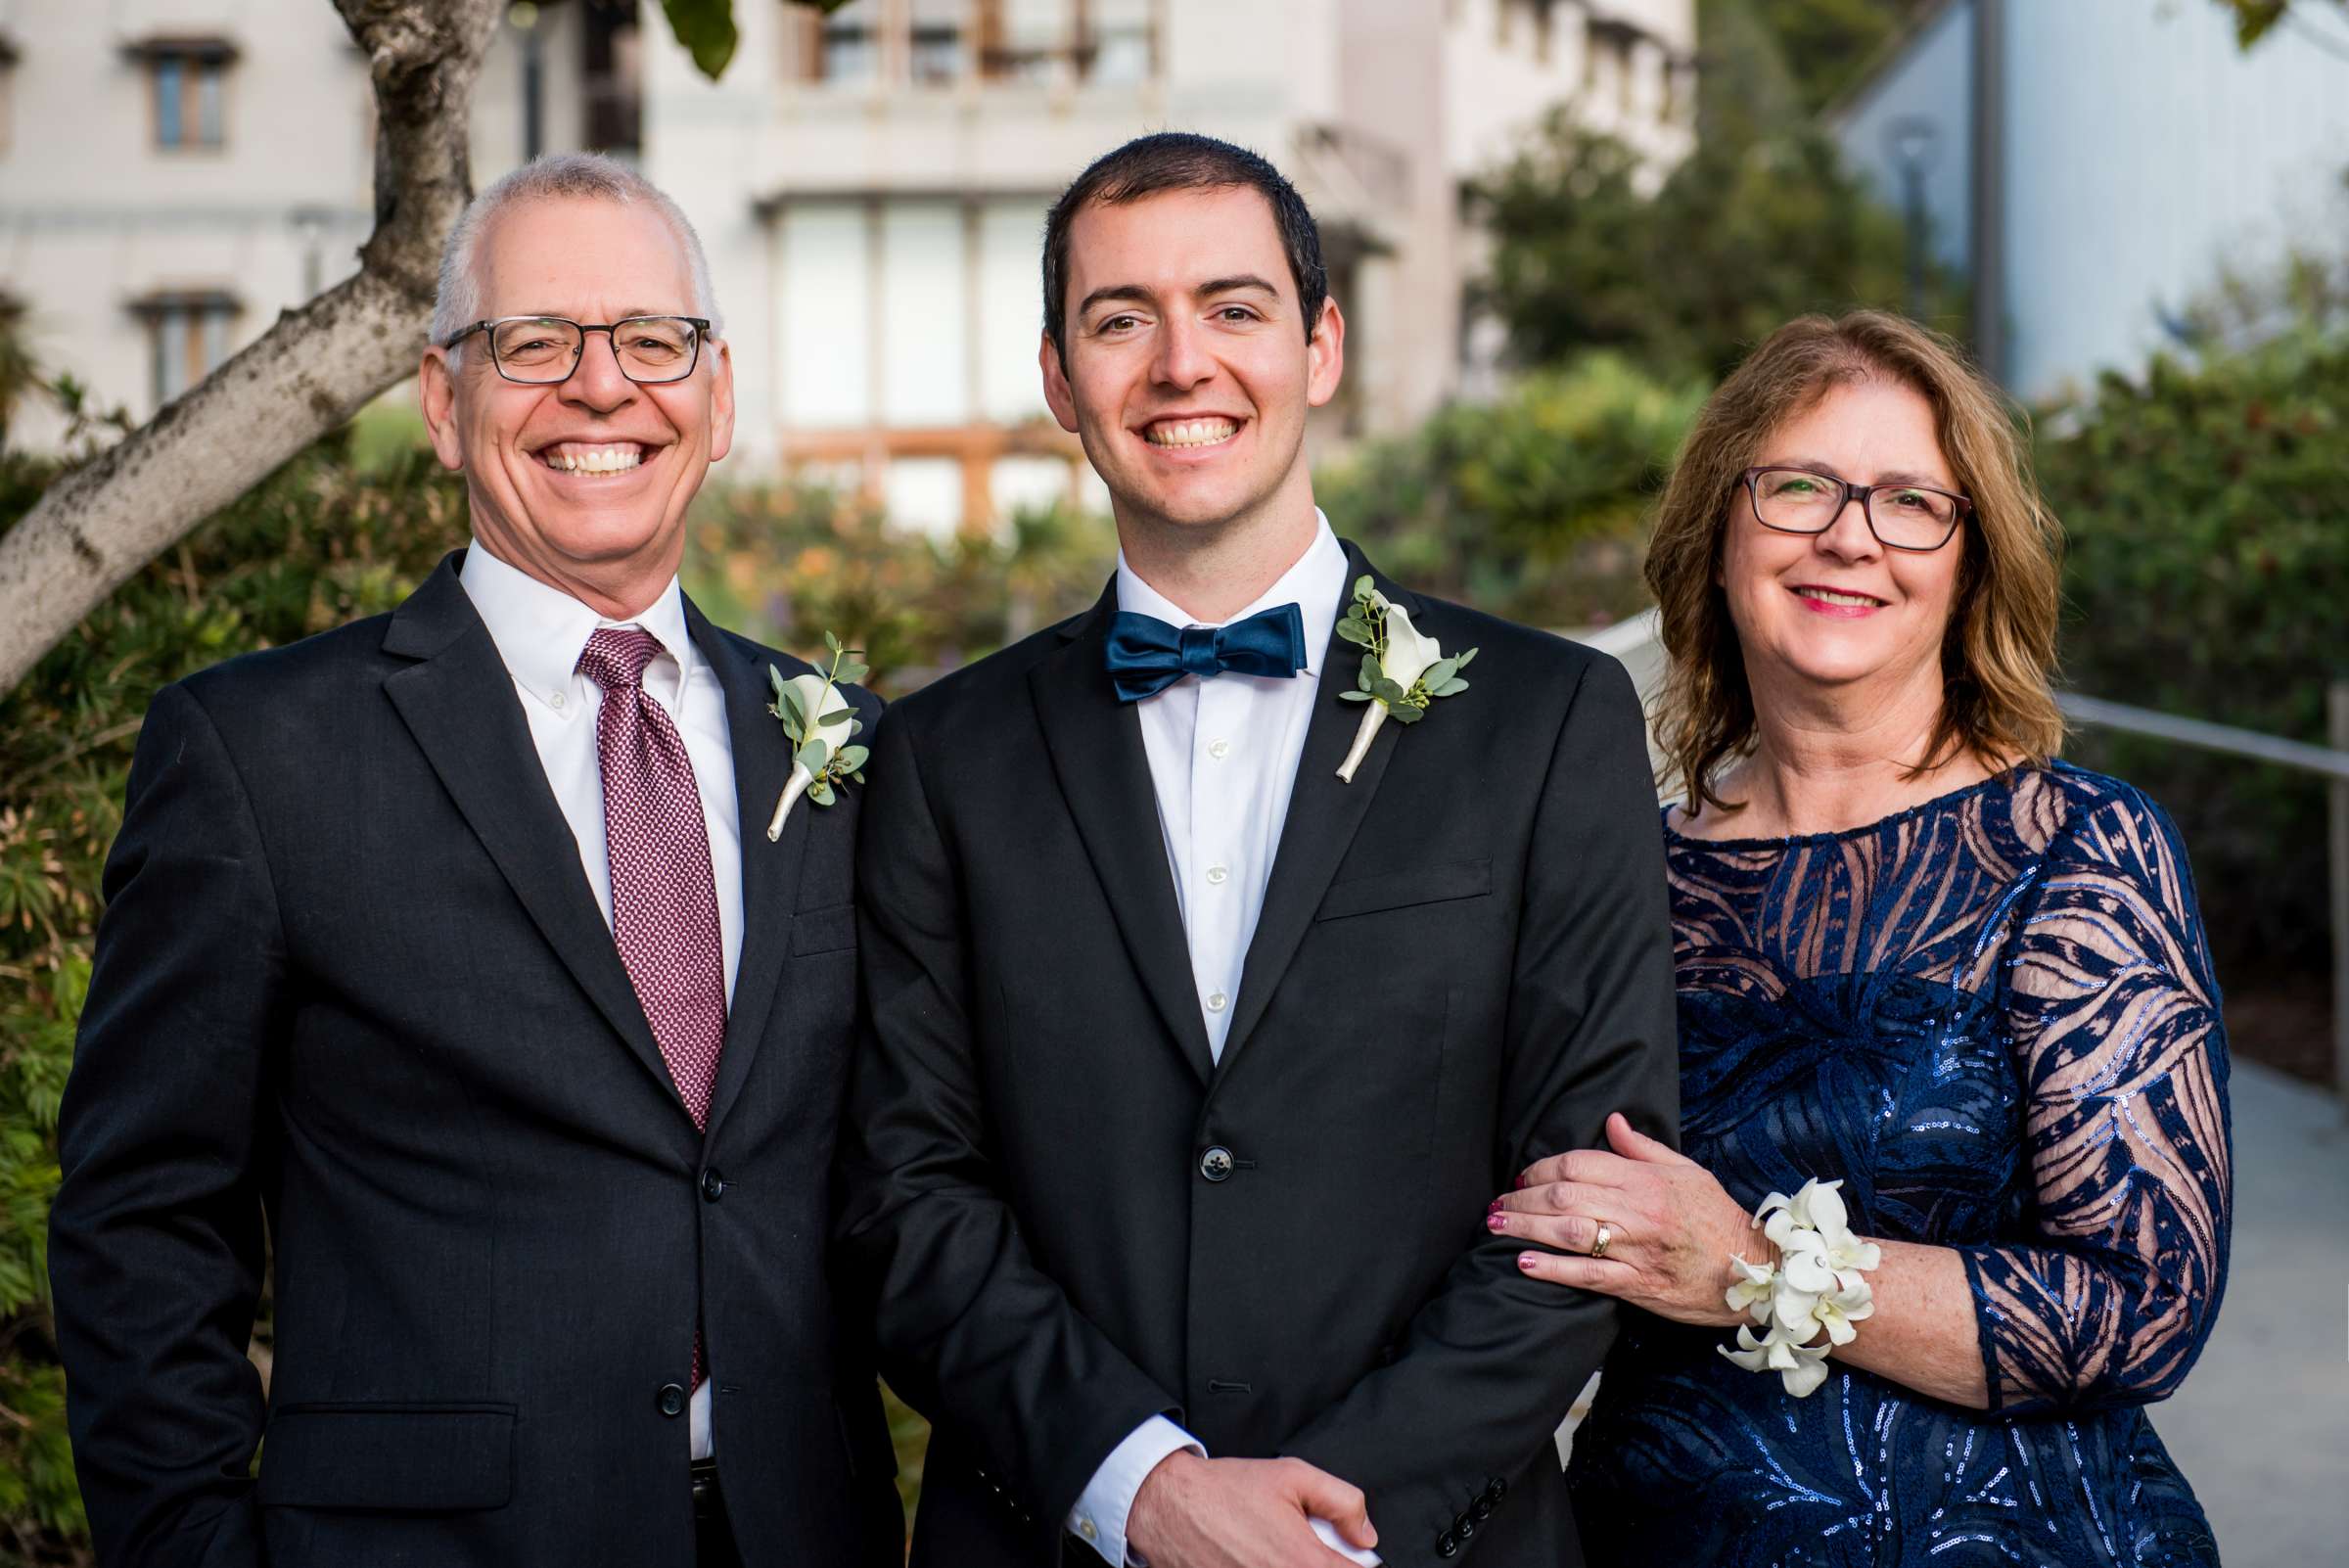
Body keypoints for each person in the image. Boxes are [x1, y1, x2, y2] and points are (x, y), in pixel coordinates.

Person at [836, 131, 1679, 1568]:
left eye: (1232, 308)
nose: (1181, 365)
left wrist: (1334, 1520)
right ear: (1060, 378)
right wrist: (1146, 1489)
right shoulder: (938, 758)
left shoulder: (1547, 722)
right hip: (1061, 1534)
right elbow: (906, 1199)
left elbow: (1595, 1188)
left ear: (1321, 344)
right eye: (1121, 319)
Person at [47, 154, 902, 1568]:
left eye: (651, 339)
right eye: (536, 343)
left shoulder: (844, 751)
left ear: (720, 396)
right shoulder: (257, 754)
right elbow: (143, 1215)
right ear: (445, 402)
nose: (602, 385)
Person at [1491, 310, 2231, 1565]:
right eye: (1799, 488)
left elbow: (2144, 1307)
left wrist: (1755, 1267)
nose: (1849, 535)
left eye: (1911, 503)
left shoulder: (2078, 853)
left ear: (1970, 562)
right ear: (1719, 537)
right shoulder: (1619, 865)